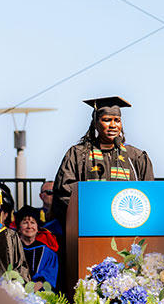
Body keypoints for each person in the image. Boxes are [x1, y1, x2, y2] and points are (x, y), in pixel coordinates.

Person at [50, 96, 154, 229]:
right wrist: (91, 211)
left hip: (128, 230)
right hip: (89, 228)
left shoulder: (135, 157)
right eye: (107, 120)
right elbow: (64, 192)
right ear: (95, 123)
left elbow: (149, 194)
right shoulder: (78, 154)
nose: (113, 125)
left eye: (117, 120)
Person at [14, 205, 58, 290]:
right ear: (19, 229)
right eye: (25, 222)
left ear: (37, 228)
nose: (29, 226)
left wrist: (37, 285)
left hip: (40, 294)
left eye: (33, 222)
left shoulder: (47, 252)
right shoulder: (12, 249)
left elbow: (50, 274)